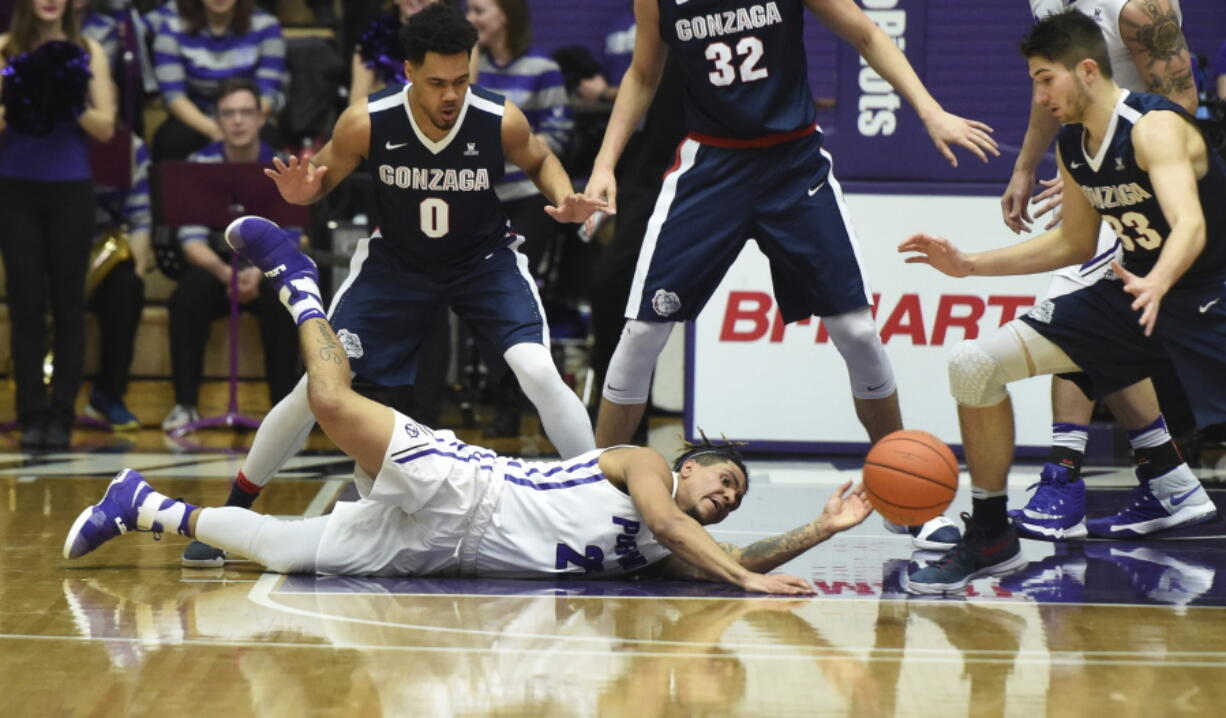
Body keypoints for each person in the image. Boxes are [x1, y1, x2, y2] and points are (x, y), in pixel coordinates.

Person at [65, 215, 874, 591]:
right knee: (333, 400)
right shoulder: (647, 469)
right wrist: (748, 584)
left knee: (288, 554)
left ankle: (140, 505)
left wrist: (818, 532)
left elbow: (728, 557)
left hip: (448, 552)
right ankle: (299, 282)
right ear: (689, 465)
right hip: (468, 486)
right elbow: (682, 532)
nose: (725, 498)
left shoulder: (678, 549)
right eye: (722, 481)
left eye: (730, 500)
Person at [178, 5, 602, 566]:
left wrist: (563, 197)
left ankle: (603, 501)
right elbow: (318, 181)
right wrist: (300, 192)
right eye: (436, 83)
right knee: (318, 386)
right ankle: (233, 512)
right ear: (408, 72)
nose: (451, 95)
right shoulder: (367, 120)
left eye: (460, 80)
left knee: (536, 368)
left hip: (483, 260)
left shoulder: (499, 118)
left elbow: (540, 157)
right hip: (396, 265)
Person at [583, 0, 998, 544]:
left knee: (857, 332)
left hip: (792, 162)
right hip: (712, 165)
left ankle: (907, 500)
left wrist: (929, 110)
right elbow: (642, 73)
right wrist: (603, 164)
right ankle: (591, 496)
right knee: (640, 334)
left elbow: (867, 33)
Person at [899, 10, 1222, 593]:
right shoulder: (1075, 144)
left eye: (1045, 79)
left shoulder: (1155, 128)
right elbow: (1073, 244)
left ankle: (1171, 486)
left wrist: (1157, 280)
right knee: (973, 366)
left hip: (1205, 294)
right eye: (1034, 81)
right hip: (1137, 291)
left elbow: (1191, 226)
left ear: (1088, 70)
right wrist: (969, 265)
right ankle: (993, 536)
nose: (1039, 94)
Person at [1001, 0, 1198, 541]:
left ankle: (1069, 479)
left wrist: (1103, 168)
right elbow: (1053, 87)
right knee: (1084, 316)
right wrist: (1025, 166)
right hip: (1111, 174)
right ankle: (1168, 478)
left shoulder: (1137, 8)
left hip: (1158, 184)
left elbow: (1182, 103)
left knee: (1077, 314)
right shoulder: (1047, 3)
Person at [0, 0, 115, 450]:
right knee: (26, 305)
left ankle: (62, 414)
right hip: (15, 189)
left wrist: (69, 103)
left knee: (69, 305)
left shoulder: (88, 48)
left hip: (70, 189)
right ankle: (31, 413)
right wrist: (21, 99)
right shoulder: (6, 48)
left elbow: (106, 127)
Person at [161, 77, 299, 431]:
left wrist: (258, 272)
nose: (237, 121)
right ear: (218, 121)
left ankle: (284, 414)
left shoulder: (282, 166)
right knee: (186, 297)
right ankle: (185, 404)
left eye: (245, 113)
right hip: (217, 267)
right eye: (229, 114)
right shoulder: (198, 163)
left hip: (267, 268)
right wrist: (228, 275)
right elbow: (190, 240)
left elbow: (294, 237)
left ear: (260, 119)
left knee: (289, 299)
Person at [464, 0, 573, 437]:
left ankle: (531, 401)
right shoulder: (469, 70)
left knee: (515, 295)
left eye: (478, 11)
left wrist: (509, 143)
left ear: (505, 15)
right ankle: (503, 399)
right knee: (479, 297)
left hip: (528, 197)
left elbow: (559, 136)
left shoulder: (543, 68)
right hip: (479, 197)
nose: (470, 20)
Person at [151, 0, 285, 161]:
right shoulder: (171, 28)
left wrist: (243, 122)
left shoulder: (267, 26)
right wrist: (216, 130)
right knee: (172, 140)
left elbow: (267, 93)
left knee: (269, 139)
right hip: (195, 117)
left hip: (247, 113)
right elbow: (174, 96)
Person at [85, 132, 154, 431]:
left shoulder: (131, 148)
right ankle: (37, 404)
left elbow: (141, 218)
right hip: (50, 253)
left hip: (102, 251)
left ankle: (108, 395)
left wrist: (135, 271)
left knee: (127, 289)